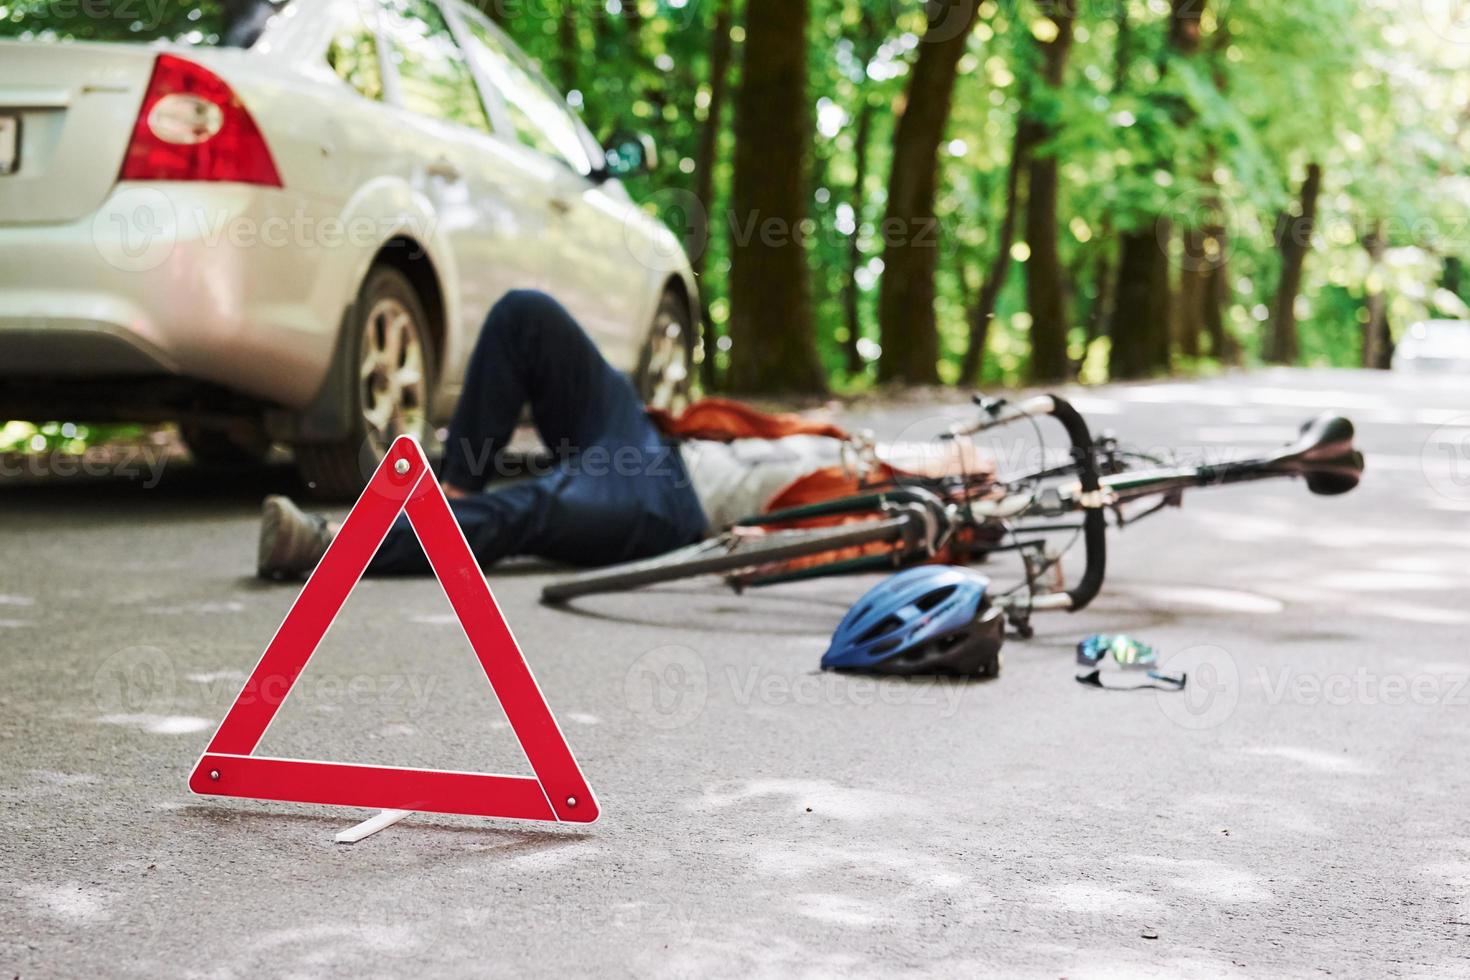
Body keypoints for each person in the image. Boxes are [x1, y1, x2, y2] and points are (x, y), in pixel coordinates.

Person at [258, 290, 865, 579]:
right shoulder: (858, 445)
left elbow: (850, 543)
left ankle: (328, 545)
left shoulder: (896, 506)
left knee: (532, 508)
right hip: (650, 438)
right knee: (526, 316)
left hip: (672, 507)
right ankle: (457, 490)